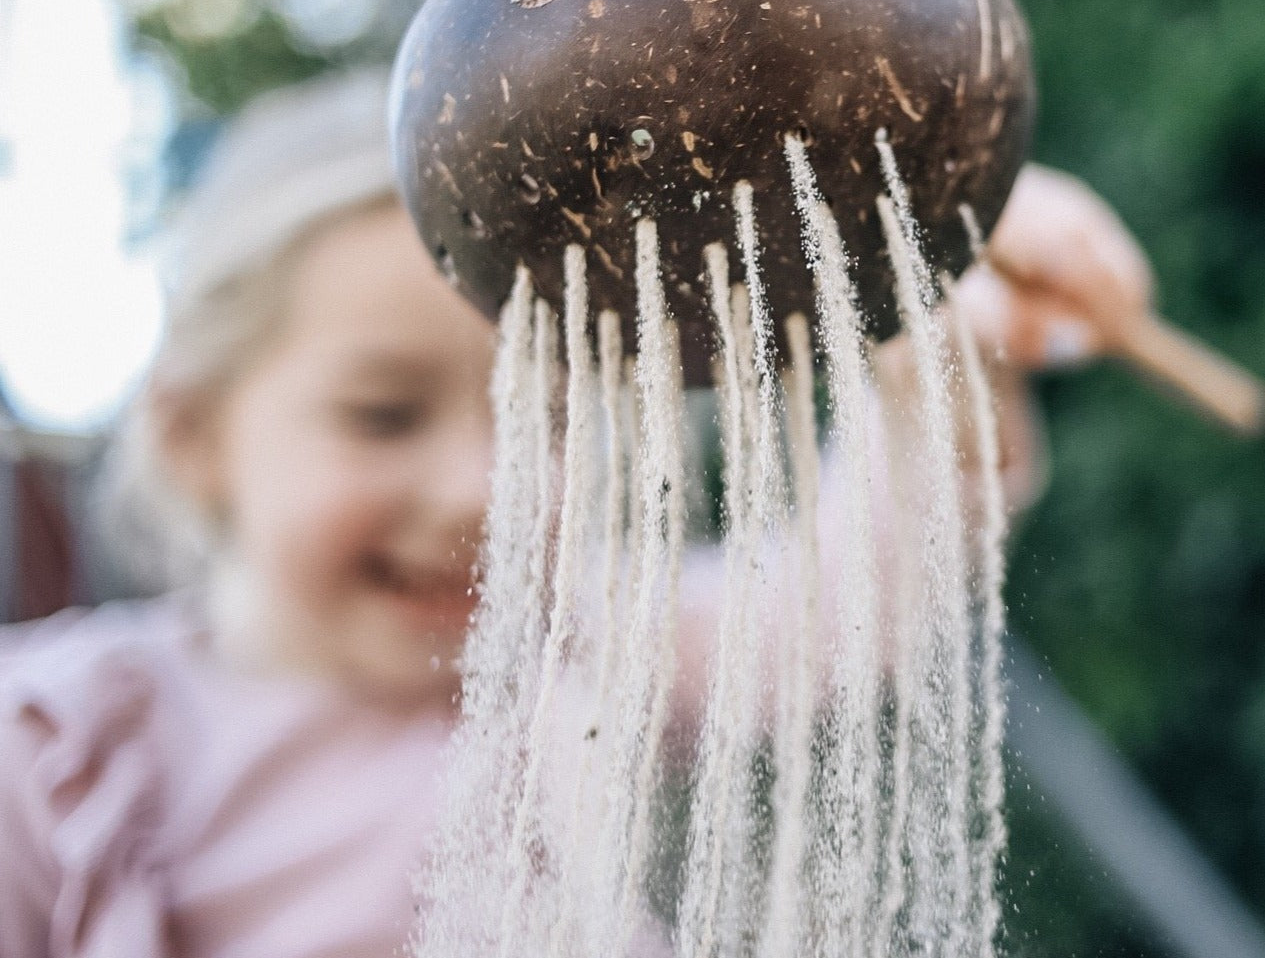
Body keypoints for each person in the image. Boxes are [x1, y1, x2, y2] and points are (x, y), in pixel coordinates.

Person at [0, 66, 1153, 957]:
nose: (480, 488)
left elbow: (847, 595)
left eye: (548, 417)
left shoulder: (580, 647)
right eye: (383, 414)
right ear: (194, 431)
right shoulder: (59, 751)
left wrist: (934, 317)